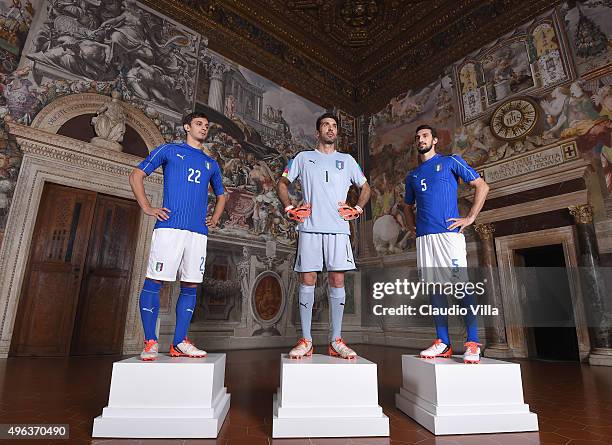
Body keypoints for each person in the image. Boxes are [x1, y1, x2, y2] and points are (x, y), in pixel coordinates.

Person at [129, 112, 226, 361]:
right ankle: (150, 341)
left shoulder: (211, 163)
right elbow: (136, 175)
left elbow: (222, 195)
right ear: (186, 127)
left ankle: (180, 341)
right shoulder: (169, 150)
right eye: (198, 124)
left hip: (198, 232)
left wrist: (214, 218)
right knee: (155, 281)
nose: (204, 128)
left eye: (206, 125)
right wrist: (147, 207)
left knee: (191, 284)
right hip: (170, 228)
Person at [277, 113, 371, 360]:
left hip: (339, 229)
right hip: (309, 227)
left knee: (337, 281)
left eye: (334, 126)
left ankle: (336, 339)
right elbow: (282, 183)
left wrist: (357, 208)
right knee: (307, 280)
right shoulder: (303, 158)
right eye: (325, 126)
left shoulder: (347, 160)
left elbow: (366, 187)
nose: (330, 129)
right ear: (317, 132)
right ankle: (306, 339)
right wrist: (289, 208)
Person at [403, 124, 489, 364]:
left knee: (459, 286)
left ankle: (472, 342)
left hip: (448, 235)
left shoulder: (451, 161)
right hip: (424, 239)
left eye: (425, 136)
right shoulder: (413, 176)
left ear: (435, 140)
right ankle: (443, 342)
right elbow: (406, 206)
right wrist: (412, 227)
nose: (421, 139)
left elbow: (482, 185)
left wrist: (471, 217)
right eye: (418, 136)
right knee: (434, 288)